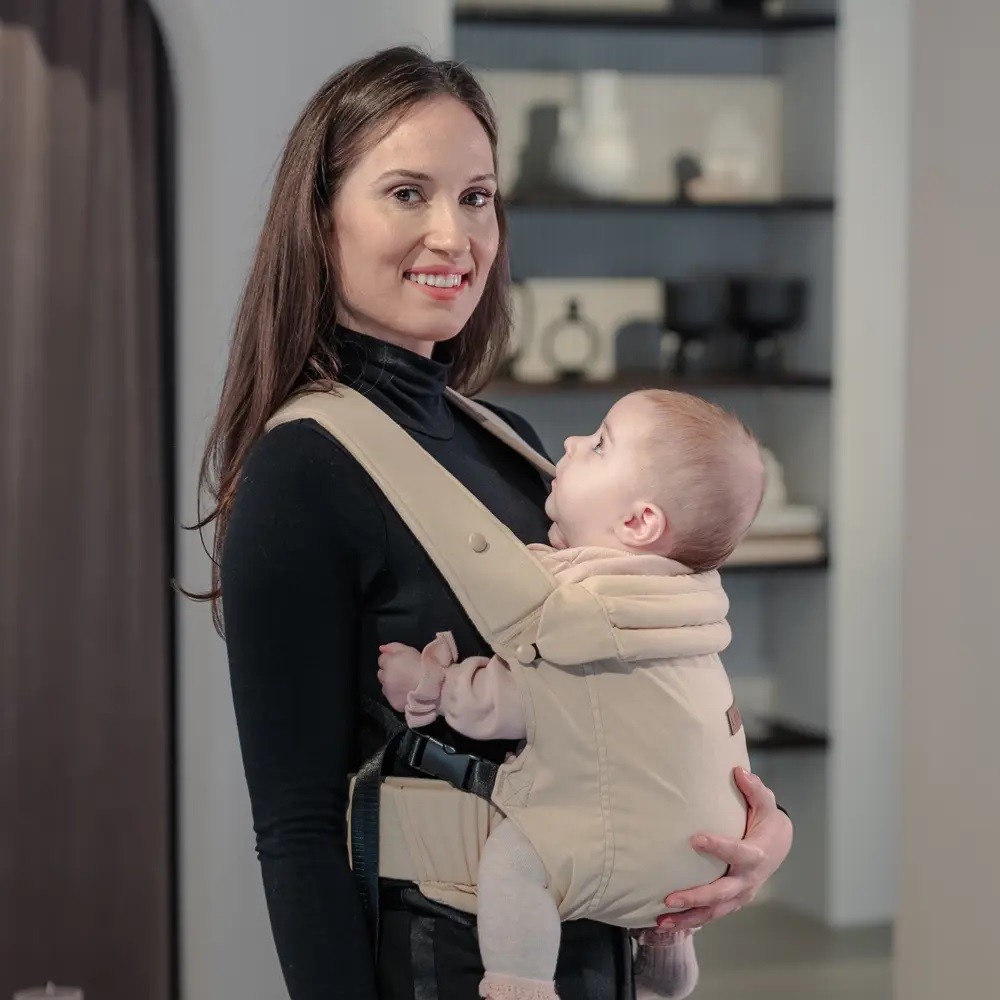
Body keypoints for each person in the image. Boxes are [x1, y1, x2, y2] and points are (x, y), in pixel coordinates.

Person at [198, 46, 794, 1000]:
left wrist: (750, 831)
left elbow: (629, 701)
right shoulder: (302, 472)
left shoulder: (515, 447)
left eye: (476, 197)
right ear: (320, 218)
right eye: (407, 193)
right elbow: (297, 830)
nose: (454, 235)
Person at [377, 389, 765, 1000]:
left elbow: (512, 699)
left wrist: (432, 684)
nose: (571, 443)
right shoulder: (683, 600)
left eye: (600, 443)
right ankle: (667, 945)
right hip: (711, 839)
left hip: (625, 847)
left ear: (638, 523)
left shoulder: (583, 613)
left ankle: (521, 986)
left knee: (516, 862)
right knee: (646, 825)